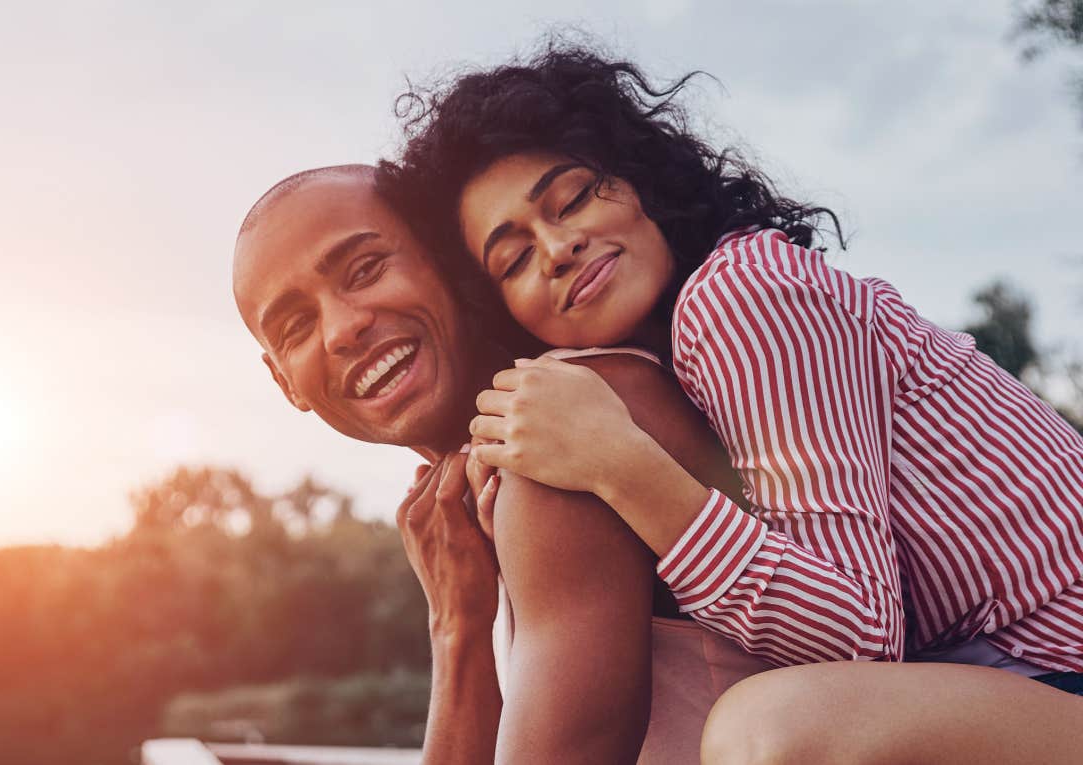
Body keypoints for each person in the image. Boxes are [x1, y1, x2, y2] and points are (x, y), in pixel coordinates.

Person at [378, 43, 1083, 762]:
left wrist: (621, 465)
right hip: (1021, 683)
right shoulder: (667, 368)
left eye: (575, 196)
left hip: (1062, 663)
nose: (558, 246)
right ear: (505, 312)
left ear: (638, 180)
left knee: (767, 727)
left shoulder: (739, 294)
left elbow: (864, 640)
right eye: (514, 258)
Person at [231, 164, 770, 763]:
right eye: (298, 326)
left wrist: (456, 634)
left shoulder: (563, 439)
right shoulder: (491, 479)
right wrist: (459, 620)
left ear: (452, 259)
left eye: (365, 270)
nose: (342, 328)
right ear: (286, 385)